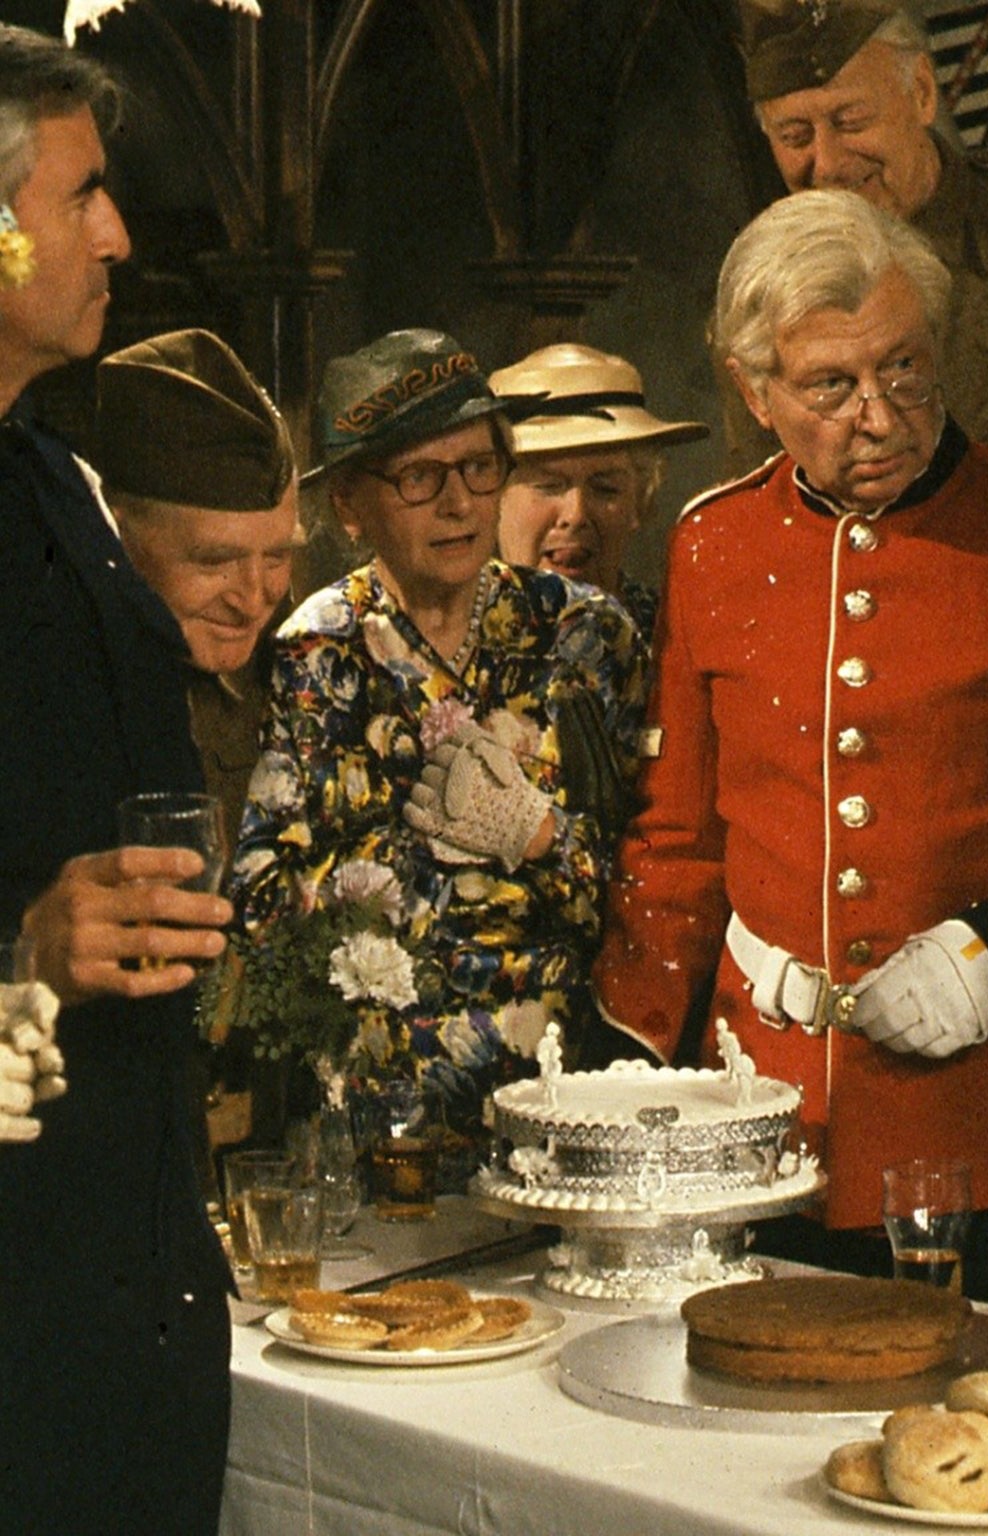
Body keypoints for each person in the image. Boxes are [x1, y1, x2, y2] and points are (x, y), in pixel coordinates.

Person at [594, 189, 988, 1320]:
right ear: (753, 391)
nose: (877, 416)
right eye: (830, 386)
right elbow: (679, 838)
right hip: (759, 1126)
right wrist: (635, 1069)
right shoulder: (712, 542)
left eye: (902, 369)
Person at [0, 28, 236, 1535]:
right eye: (84, 195)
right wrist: (16, 951)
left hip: (123, 1233)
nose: (121, 236)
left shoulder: (49, 474)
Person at [231, 329, 645, 1149]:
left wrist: (537, 836)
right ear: (349, 504)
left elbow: (657, 886)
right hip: (385, 1127)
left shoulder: (585, 633)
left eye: (479, 467)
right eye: (419, 477)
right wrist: (399, 871)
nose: (458, 503)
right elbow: (258, 902)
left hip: (577, 1112)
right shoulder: (319, 651)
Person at [727, 0, 988, 496]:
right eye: (795, 136)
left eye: (851, 121)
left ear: (921, 92)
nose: (828, 164)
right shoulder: (762, 296)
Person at [97, 327, 302, 822]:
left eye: (276, 557)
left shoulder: (307, 678)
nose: (253, 599)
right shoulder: (48, 691)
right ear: (115, 537)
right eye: (214, 562)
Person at [491, 341, 706, 638]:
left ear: (639, 503)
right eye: (549, 486)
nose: (576, 514)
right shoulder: (441, 643)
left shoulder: (674, 639)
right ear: (492, 501)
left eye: (605, 489)